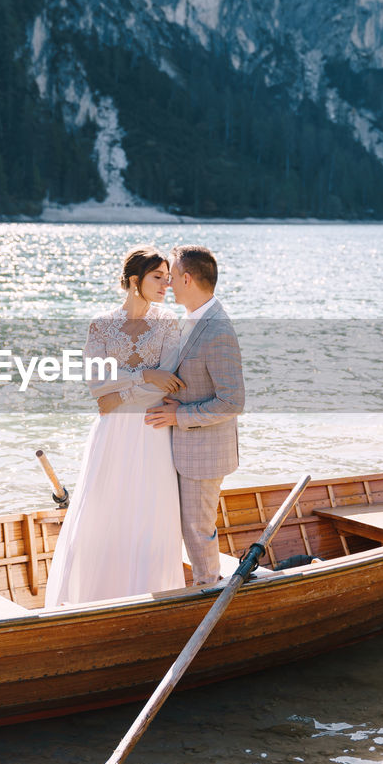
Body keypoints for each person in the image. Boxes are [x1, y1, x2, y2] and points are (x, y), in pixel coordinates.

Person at [44, 247, 187, 606]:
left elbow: (166, 383)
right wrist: (145, 375)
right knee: (104, 512)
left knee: (149, 515)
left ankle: (150, 598)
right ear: (135, 280)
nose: (166, 285)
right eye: (158, 277)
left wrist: (122, 392)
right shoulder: (102, 324)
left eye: (168, 278)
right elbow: (95, 381)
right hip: (112, 436)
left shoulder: (168, 322)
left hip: (153, 432)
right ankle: (93, 600)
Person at [144, 245, 244, 586]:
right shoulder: (192, 319)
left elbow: (232, 402)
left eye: (171, 277)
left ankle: (208, 589)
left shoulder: (217, 330)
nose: (168, 284)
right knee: (189, 525)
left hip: (204, 452)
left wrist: (179, 416)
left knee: (197, 529)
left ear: (187, 279)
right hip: (185, 447)